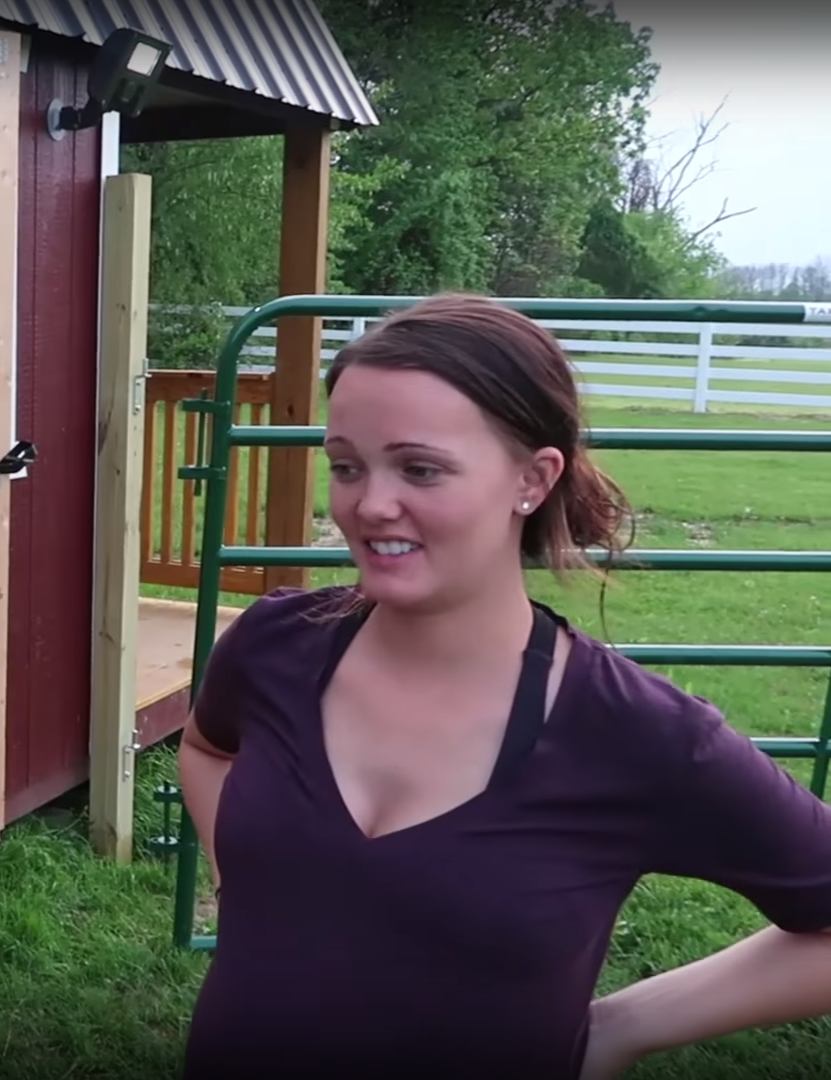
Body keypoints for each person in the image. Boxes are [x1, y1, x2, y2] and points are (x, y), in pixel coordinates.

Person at [178, 294, 831, 1080]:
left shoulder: (636, 734)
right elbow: (207, 748)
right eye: (346, 465)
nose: (368, 503)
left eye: (420, 468)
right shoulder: (275, 645)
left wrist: (623, 1026)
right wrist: (249, 886)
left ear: (532, 478)